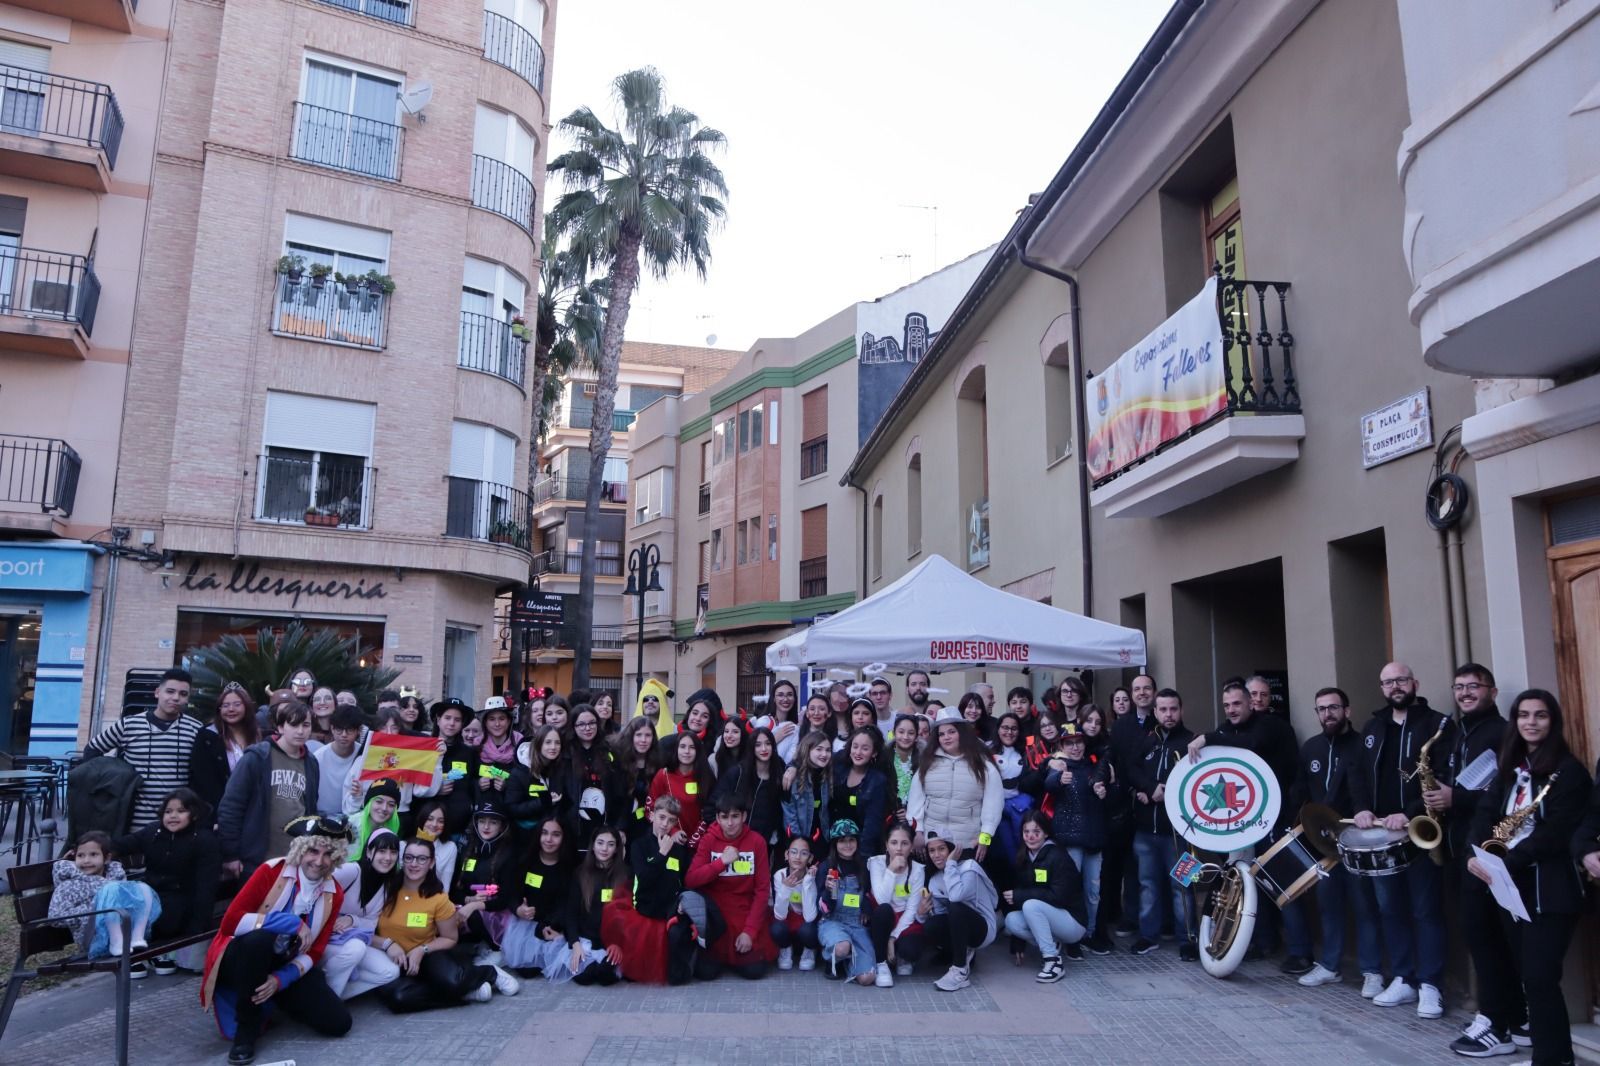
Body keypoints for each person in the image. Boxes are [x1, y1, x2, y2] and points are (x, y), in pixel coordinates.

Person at [1454, 690, 1590, 1064]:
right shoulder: (1510, 768)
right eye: (1524, 715)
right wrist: (1473, 855)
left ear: (1553, 721)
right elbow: (1484, 815)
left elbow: (1556, 833)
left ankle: (1551, 1059)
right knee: (1530, 977)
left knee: (1540, 976)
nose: (1531, 722)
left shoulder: (1569, 772)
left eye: (1540, 715)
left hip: (1549, 889)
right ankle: (1553, 1055)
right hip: (1510, 888)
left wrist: (1509, 861)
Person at [201, 815, 354, 1064]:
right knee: (259, 940)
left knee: (339, 1023)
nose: (319, 861)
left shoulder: (333, 892)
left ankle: (276, 999)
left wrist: (280, 980)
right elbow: (231, 922)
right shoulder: (271, 871)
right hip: (241, 957)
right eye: (313, 851)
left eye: (328, 854)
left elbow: (315, 951)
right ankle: (246, 1028)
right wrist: (292, 923)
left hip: (283, 962)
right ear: (301, 849)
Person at [1349, 662, 1451, 1018]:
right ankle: (1404, 979)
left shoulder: (1437, 724)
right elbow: (1357, 773)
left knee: (1425, 911)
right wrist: (1362, 808)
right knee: (1390, 909)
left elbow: (1443, 775)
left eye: (1401, 680)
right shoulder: (1373, 726)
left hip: (1418, 832)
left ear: (1414, 683)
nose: (1395, 687)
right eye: (1388, 682)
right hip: (1381, 836)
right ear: (1382, 688)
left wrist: (1410, 813)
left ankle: (1430, 984)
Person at [1187, 678, 1307, 970]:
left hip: (1277, 819)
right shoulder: (1225, 731)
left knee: (1282, 883)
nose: (1231, 709)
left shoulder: (1270, 725)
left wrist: (1207, 738)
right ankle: (1262, 942)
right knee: (1248, 881)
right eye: (1226, 705)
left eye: (1237, 703)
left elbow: (1252, 743)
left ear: (1250, 703)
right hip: (1243, 823)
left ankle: (1301, 952)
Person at [1292, 687, 1383, 993]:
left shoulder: (1362, 745)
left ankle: (1372, 971)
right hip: (1323, 845)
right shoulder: (1311, 748)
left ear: (1347, 710)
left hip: (1358, 842)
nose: (1327, 714)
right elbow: (1301, 791)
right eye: (1321, 709)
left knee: (1364, 907)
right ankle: (1330, 966)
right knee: (1329, 906)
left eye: (1333, 707)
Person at [371, 837, 515, 1013]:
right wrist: (387, 944)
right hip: (389, 959)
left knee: (453, 981)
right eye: (409, 858)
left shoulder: (438, 898)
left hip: (427, 955)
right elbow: (366, 931)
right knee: (399, 999)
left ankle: (488, 973)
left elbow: (450, 938)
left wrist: (421, 950)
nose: (414, 864)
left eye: (421, 859)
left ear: (431, 863)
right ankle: (462, 994)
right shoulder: (386, 890)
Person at [109, 787, 221, 975]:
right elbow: (123, 844)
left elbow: (206, 887)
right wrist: (89, 847)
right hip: (152, 897)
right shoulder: (153, 831)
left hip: (182, 902)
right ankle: (137, 952)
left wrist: (198, 925)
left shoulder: (204, 840)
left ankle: (148, 952)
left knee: (161, 909)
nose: (173, 816)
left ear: (194, 814)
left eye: (181, 811)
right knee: (128, 901)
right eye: (168, 811)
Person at [83, 668, 205, 830]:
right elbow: (92, 749)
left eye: (183, 694)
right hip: (134, 823)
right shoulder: (129, 725)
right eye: (170, 691)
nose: (176, 698)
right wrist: (107, 783)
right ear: (157, 692)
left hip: (178, 825)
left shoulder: (196, 729)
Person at [217, 699, 320, 879]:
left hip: (295, 858)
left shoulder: (311, 763)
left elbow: (311, 809)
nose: (300, 731)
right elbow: (231, 806)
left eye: (305, 725)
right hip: (256, 859)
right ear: (280, 727)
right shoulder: (257, 757)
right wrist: (231, 854)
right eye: (293, 724)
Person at [1127, 688, 1195, 959]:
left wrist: (1168, 790)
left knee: (1183, 887)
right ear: (1155, 712)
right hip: (1145, 831)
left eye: (1173, 709)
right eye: (1163, 709)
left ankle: (1188, 939)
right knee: (1147, 886)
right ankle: (1148, 936)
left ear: (1181, 710)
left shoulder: (1192, 742)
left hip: (1181, 835)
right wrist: (1148, 787)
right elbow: (1131, 769)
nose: (1168, 714)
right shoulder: (1147, 740)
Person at [682, 794, 777, 979]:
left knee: (754, 971)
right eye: (724, 817)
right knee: (706, 973)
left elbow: (762, 891)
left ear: (744, 816)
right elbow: (691, 880)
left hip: (744, 913)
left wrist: (750, 932)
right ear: (717, 819)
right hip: (716, 918)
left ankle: (736, 955)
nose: (730, 823)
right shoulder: (708, 840)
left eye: (735, 816)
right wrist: (721, 863)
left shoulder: (757, 842)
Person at [604, 795, 695, 984]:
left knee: (677, 977)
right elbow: (644, 878)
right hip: (644, 912)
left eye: (671, 820)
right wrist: (662, 853)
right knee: (635, 973)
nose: (665, 824)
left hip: (668, 914)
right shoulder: (639, 845)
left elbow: (684, 881)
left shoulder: (679, 850)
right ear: (652, 815)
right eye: (662, 817)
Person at [49, 830, 164, 969]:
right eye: (80, 855)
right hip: (93, 938)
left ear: (107, 858)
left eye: (93, 854)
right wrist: (95, 907)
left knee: (142, 888)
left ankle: (137, 937)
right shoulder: (69, 885)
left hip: (125, 929)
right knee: (112, 889)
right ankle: (117, 942)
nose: (86, 860)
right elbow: (55, 918)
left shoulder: (116, 876)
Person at [1043, 724, 1108, 958]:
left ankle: (1088, 934)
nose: (1075, 747)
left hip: (1094, 838)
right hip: (1069, 839)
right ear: (1062, 746)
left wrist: (1104, 792)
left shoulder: (1094, 767)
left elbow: (1109, 793)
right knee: (1070, 889)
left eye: (1078, 742)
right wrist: (1059, 779)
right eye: (1069, 743)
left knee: (1093, 891)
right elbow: (1048, 784)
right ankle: (1071, 937)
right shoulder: (1059, 766)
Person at [1001, 810, 1087, 982]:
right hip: (1050, 917)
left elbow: (1058, 896)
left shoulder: (1057, 856)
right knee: (1011, 920)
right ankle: (1052, 944)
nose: (1030, 837)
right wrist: (1018, 942)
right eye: (1026, 832)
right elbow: (1023, 892)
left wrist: (1020, 896)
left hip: (1073, 921)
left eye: (1036, 832)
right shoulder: (1024, 856)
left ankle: (1053, 962)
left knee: (1030, 905)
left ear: (1046, 833)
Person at [907, 711, 1002, 861]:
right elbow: (915, 801)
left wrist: (985, 838)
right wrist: (917, 832)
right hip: (933, 843)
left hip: (968, 844)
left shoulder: (983, 765)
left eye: (951, 732)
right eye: (942, 734)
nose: (946, 737)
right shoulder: (927, 763)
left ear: (962, 733)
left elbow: (993, 805)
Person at [325, 828, 404, 1000]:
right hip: (324, 940)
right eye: (382, 851)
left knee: (390, 971)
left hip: (350, 939)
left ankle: (332, 995)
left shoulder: (387, 886)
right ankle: (328, 1001)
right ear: (368, 852)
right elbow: (319, 888)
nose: (388, 857)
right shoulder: (351, 871)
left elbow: (370, 923)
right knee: (356, 948)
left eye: (393, 852)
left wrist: (352, 919)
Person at [1105, 673, 1156, 937]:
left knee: (1163, 866)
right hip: (1128, 803)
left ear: (1154, 692)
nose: (1142, 693)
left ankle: (1168, 920)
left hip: (1159, 802)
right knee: (1131, 865)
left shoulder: (1163, 718)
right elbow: (1115, 761)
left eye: (1147, 688)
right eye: (1137, 689)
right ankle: (1132, 916)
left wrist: (1151, 789)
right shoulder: (1121, 725)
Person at [919, 830, 998, 992]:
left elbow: (956, 896)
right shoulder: (935, 880)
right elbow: (941, 915)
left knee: (955, 907)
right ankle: (960, 953)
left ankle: (960, 970)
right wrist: (921, 913)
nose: (936, 855)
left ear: (951, 849)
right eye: (932, 851)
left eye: (941, 849)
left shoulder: (969, 868)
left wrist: (950, 864)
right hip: (960, 925)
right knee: (931, 925)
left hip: (984, 929)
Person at [815, 820, 876, 984]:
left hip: (856, 923)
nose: (847, 845)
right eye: (842, 841)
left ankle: (850, 963)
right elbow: (821, 908)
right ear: (835, 844)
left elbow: (868, 894)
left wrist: (867, 910)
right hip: (832, 921)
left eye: (851, 840)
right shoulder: (826, 867)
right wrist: (828, 892)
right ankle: (833, 959)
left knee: (867, 978)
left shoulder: (864, 865)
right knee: (842, 948)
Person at [866, 821, 926, 985]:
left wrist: (892, 938)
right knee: (884, 910)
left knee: (910, 950)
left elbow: (912, 909)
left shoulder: (917, 870)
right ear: (886, 845)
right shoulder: (876, 863)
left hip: (904, 919)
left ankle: (900, 955)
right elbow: (881, 900)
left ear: (911, 847)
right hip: (881, 918)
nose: (899, 848)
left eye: (904, 843)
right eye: (894, 843)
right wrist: (891, 870)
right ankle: (881, 963)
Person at [567, 827, 627, 984]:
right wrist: (575, 944)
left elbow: (629, 914)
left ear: (617, 848)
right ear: (593, 845)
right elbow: (571, 912)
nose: (604, 848)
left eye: (610, 844)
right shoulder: (580, 873)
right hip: (586, 940)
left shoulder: (625, 874)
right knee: (584, 978)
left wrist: (618, 943)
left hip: (612, 942)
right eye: (600, 843)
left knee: (605, 977)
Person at [191, 682, 260, 814]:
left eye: (237, 704)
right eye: (225, 705)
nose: (231, 709)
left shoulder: (258, 736)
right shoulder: (207, 736)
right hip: (220, 808)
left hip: (254, 808)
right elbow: (203, 779)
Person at [719, 725, 784, 849]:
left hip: (764, 844)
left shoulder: (779, 773)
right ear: (752, 748)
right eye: (758, 745)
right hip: (735, 841)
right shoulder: (737, 773)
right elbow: (716, 804)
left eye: (768, 744)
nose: (763, 749)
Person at [831, 727, 889, 855]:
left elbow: (872, 826)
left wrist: (860, 856)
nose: (858, 752)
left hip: (860, 846)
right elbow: (811, 757)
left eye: (865, 748)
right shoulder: (839, 764)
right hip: (833, 841)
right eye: (855, 746)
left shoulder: (878, 781)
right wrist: (793, 767)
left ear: (874, 753)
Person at [650, 731, 715, 839]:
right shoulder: (663, 775)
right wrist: (672, 831)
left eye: (692, 747)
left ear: (698, 751)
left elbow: (710, 812)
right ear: (676, 749)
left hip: (699, 839)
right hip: (667, 839)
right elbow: (651, 807)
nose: (687, 751)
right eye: (682, 746)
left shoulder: (705, 777)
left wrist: (695, 839)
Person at [770, 834, 820, 971]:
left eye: (804, 853)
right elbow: (779, 915)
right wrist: (786, 888)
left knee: (808, 930)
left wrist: (807, 882)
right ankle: (786, 948)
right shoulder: (779, 875)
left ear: (810, 858)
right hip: (788, 919)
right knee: (776, 928)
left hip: (806, 922)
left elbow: (810, 917)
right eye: (793, 852)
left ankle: (809, 950)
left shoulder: (813, 877)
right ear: (786, 855)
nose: (798, 857)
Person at [431, 698, 477, 837]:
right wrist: (434, 790)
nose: (452, 723)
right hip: (429, 827)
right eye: (447, 718)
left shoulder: (469, 753)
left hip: (459, 829)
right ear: (438, 720)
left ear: (462, 724)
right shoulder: (425, 750)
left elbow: (473, 784)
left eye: (457, 720)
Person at [615, 715, 665, 843]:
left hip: (648, 826)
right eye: (638, 735)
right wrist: (620, 827)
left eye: (648, 735)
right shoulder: (619, 762)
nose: (643, 740)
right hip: (622, 825)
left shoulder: (658, 762)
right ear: (631, 736)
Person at [311, 705, 365, 819]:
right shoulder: (318, 757)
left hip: (354, 815)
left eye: (349, 730)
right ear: (332, 729)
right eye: (339, 730)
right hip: (323, 816)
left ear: (358, 731)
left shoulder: (363, 755)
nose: (344, 735)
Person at [782, 730, 835, 845]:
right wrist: (799, 842)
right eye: (819, 749)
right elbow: (789, 815)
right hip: (798, 841)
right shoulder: (793, 777)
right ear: (807, 750)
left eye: (828, 750)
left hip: (822, 839)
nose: (824, 754)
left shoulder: (828, 775)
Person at [347, 779, 401, 863]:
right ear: (369, 802)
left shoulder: (392, 829)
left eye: (391, 805)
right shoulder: (352, 826)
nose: (384, 808)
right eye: (379, 802)